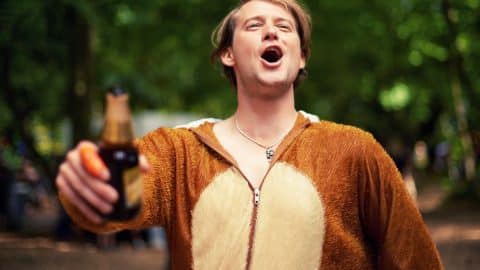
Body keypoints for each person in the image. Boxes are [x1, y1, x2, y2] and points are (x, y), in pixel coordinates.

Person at [56, 0, 443, 269]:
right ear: (228, 54)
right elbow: (118, 198)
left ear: (301, 56)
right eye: (255, 26)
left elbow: (414, 259)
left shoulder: (354, 150)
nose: (271, 32)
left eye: (284, 27)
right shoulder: (179, 151)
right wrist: (90, 187)